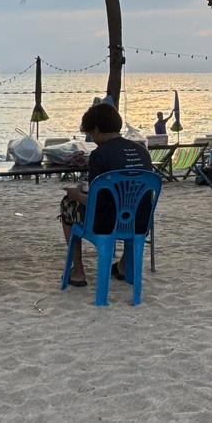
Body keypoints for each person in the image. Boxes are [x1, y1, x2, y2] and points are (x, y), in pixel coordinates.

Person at [62, 102, 153, 287]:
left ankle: (78, 272)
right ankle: (123, 266)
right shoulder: (143, 152)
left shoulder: (99, 154)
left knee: (66, 205)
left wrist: (76, 195)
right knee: (130, 206)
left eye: (90, 133)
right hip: (140, 220)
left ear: (96, 129)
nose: (92, 138)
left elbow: (98, 202)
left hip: (107, 223)